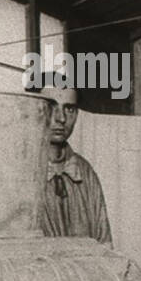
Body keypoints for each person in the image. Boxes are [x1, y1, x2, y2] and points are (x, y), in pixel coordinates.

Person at [39, 84, 112, 244]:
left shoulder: (84, 171)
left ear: (77, 114)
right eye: (52, 107)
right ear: (36, 110)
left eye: (69, 109)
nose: (61, 118)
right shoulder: (22, 172)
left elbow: (105, 242)